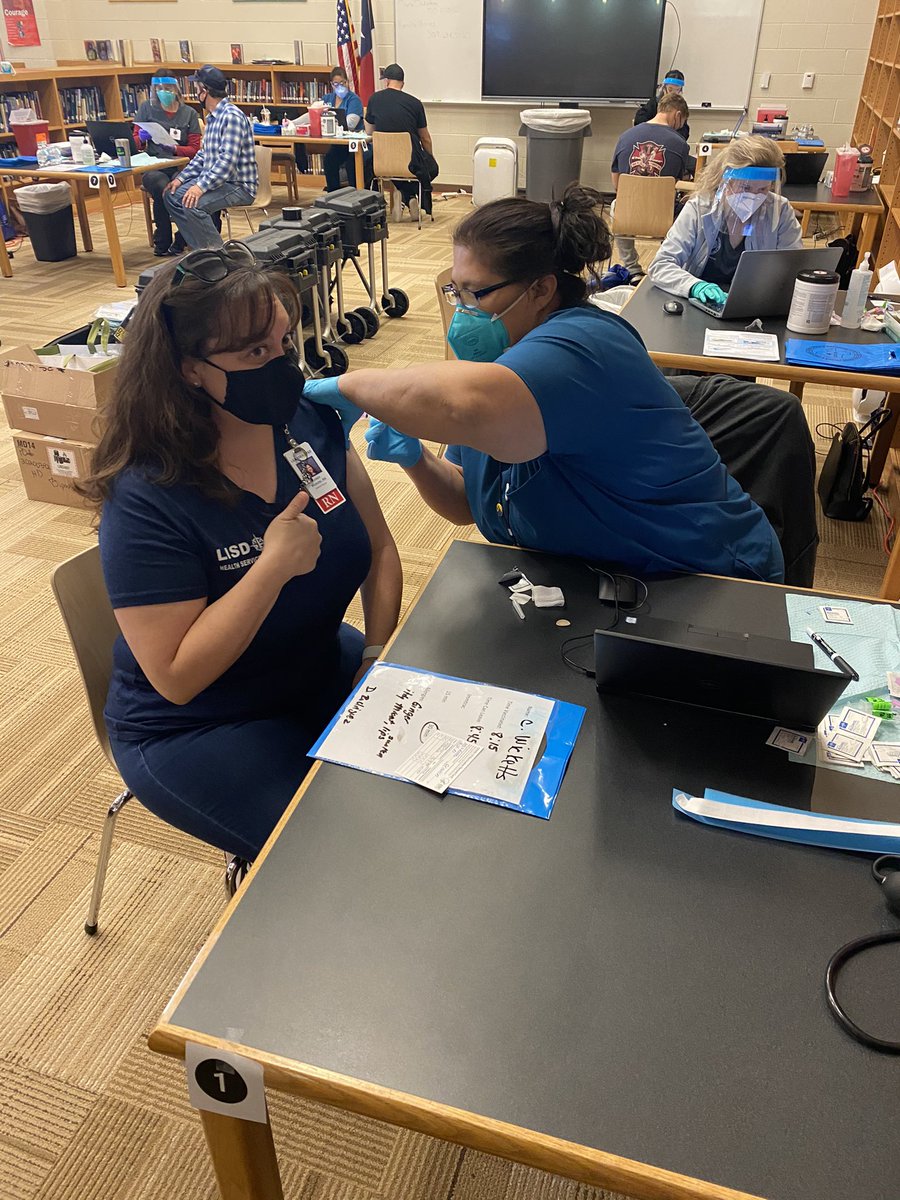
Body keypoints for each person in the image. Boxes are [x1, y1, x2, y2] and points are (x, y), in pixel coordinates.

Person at [79, 244, 402, 861]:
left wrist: (377, 654)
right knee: (343, 860)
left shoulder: (306, 423)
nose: (281, 365)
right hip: (199, 724)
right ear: (187, 368)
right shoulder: (150, 492)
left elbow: (382, 551)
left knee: (430, 801)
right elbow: (175, 677)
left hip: (313, 666)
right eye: (254, 353)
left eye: (283, 342)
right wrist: (270, 570)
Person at [303, 185, 784, 584]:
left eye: (477, 293)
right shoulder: (501, 363)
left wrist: (350, 385)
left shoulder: (582, 346)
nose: (461, 308)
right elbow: (467, 501)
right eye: (457, 291)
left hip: (707, 578)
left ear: (540, 289)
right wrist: (418, 460)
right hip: (602, 578)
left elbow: (459, 407)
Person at [647, 136, 803, 304]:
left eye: (763, 189)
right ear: (726, 182)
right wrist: (695, 286)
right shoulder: (699, 209)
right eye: (746, 188)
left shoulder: (779, 211)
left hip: (753, 305)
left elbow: (793, 269)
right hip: (701, 304)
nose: (754, 197)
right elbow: (660, 265)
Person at [163, 65, 258, 251]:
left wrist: (199, 187)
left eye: (197, 89)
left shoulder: (232, 117)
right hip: (219, 182)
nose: (196, 94)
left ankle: (218, 256)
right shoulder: (213, 117)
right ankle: (201, 250)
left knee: (194, 205)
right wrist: (182, 178)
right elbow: (203, 155)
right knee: (171, 196)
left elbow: (227, 163)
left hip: (238, 185)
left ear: (205, 92)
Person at [610, 92, 692, 281]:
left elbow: (617, 184)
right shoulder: (680, 144)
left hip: (627, 213)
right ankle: (666, 265)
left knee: (616, 204)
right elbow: (678, 183)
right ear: (678, 115)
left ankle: (632, 269)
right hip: (663, 215)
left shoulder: (625, 136)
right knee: (687, 209)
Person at [134, 76, 202, 257]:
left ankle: (181, 238)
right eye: (160, 89)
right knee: (159, 185)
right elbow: (134, 144)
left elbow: (195, 149)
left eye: (169, 89)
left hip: (181, 166)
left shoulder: (189, 113)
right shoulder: (146, 109)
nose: (164, 93)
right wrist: (141, 138)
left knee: (177, 188)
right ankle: (162, 238)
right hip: (154, 165)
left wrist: (175, 148)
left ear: (177, 91)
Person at [365, 63, 437, 220]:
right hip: (410, 161)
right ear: (402, 83)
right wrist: (430, 156)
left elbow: (369, 131)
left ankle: (404, 195)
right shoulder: (415, 103)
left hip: (381, 162)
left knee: (377, 166)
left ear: (387, 81)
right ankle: (409, 195)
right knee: (431, 168)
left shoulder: (374, 99)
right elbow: (424, 137)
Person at [307, 66, 367, 192]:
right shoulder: (327, 99)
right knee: (329, 160)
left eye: (343, 83)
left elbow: (351, 124)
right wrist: (293, 122)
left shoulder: (354, 100)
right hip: (338, 144)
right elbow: (312, 114)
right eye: (336, 84)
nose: (340, 86)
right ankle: (333, 194)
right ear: (331, 84)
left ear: (347, 82)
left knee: (352, 162)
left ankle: (356, 194)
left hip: (354, 145)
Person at [635, 69, 690, 141]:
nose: (673, 93)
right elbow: (639, 119)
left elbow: (684, 132)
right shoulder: (655, 102)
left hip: (670, 140)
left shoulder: (681, 107)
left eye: (677, 90)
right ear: (664, 88)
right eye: (670, 89)